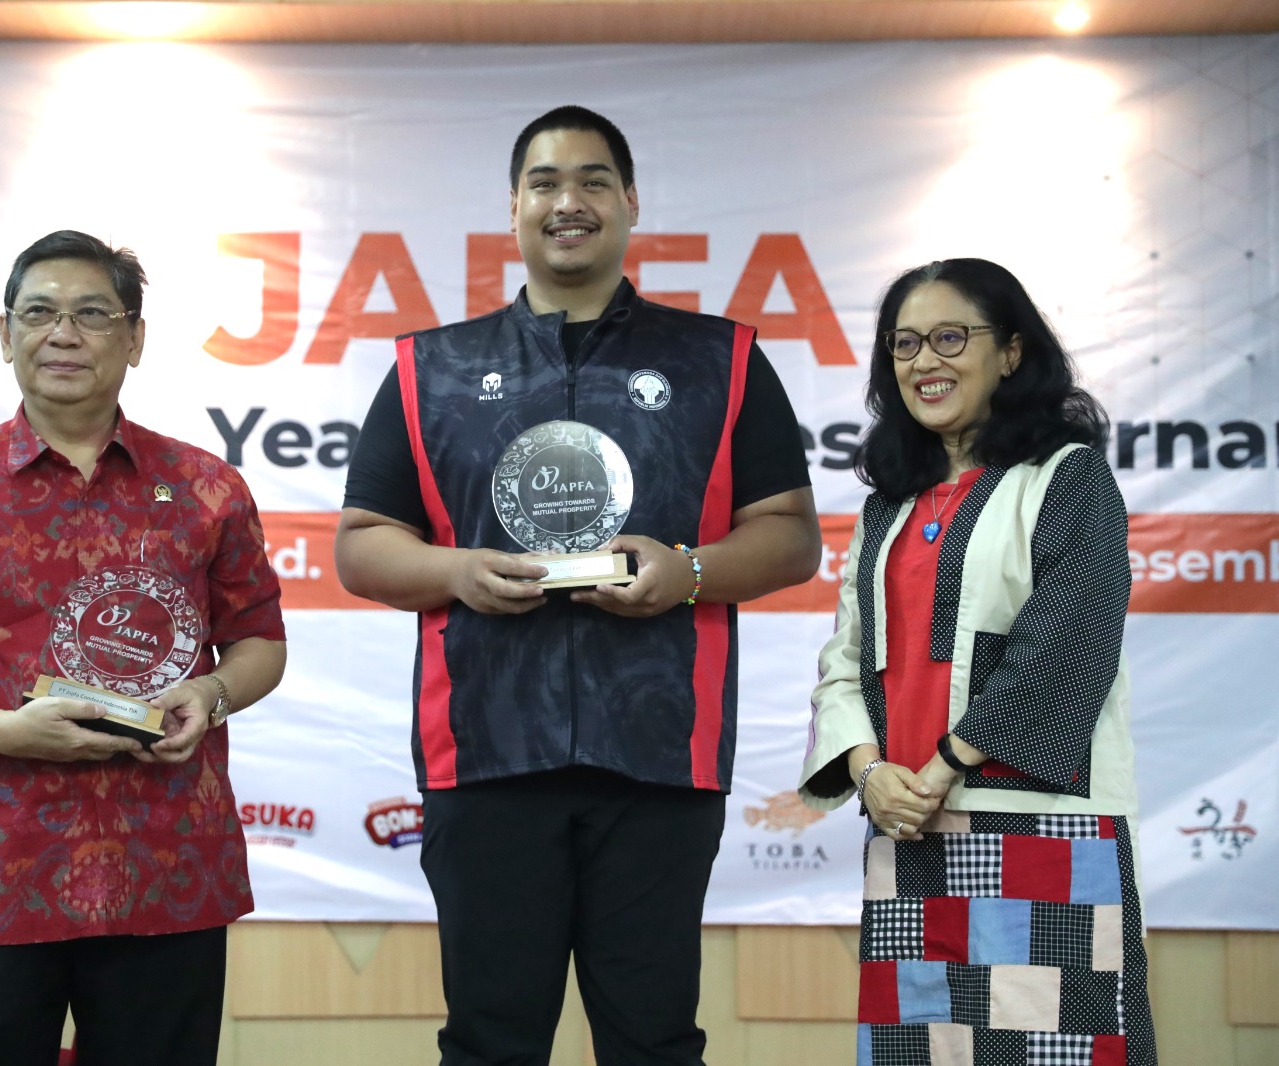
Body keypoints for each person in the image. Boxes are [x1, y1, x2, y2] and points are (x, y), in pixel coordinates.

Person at [334, 106, 821, 1065]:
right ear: (513, 207)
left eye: (595, 180)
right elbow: (361, 545)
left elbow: (791, 537)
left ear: (631, 203)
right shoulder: (429, 366)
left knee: (652, 1041)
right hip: (484, 757)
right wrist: (454, 572)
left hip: (657, 759)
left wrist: (686, 572)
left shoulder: (719, 360)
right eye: (546, 183)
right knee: (488, 1040)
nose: (571, 202)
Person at [0, 231, 286, 1066]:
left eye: (92, 315)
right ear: (5, 334)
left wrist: (213, 694)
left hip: (164, 864)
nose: (64, 335)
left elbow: (260, 643)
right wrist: (7, 732)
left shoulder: (205, 487)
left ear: (136, 338)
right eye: (40, 313)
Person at [798, 258, 1154, 1065]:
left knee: (1050, 1052)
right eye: (905, 344)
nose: (925, 362)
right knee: (919, 1052)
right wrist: (869, 772)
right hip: (908, 828)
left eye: (951, 337)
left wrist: (942, 764)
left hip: (1040, 826)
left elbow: (1065, 647)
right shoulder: (888, 502)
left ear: (1013, 352)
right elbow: (846, 659)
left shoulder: (1068, 479)